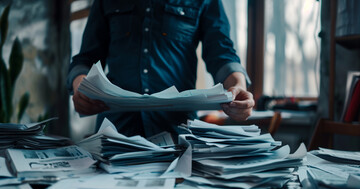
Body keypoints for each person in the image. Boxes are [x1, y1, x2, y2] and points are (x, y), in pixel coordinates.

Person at [68, 0, 255, 138]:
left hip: (177, 133)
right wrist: (80, 87)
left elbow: (222, 53)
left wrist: (238, 87)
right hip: (115, 132)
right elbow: (86, 58)